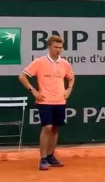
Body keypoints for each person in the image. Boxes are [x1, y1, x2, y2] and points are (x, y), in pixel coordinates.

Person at [18, 35, 75, 171]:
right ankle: (43, 159)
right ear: (49, 47)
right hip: (44, 101)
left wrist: (69, 90)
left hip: (60, 101)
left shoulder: (65, 64)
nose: (58, 50)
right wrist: (33, 91)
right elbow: (22, 76)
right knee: (47, 127)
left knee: (55, 128)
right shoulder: (39, 62)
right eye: (55, 47)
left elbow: (72, 78)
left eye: (60, 47)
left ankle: (50, 156)